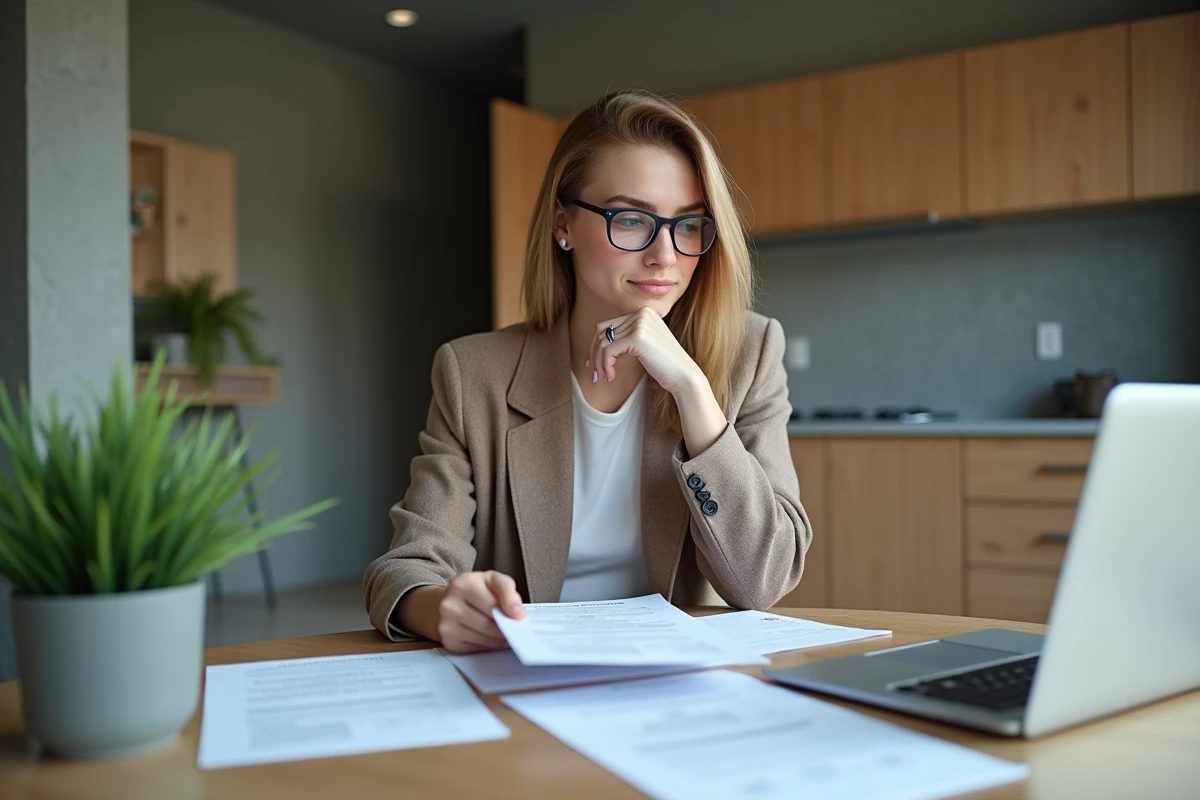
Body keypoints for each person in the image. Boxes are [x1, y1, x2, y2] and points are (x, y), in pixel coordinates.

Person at [364, 89, 813, 653]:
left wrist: (694, 394)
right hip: (531, 675)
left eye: (689, 225)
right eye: (631, 219)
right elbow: (406, 569)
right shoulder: (473, 372)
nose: (666, 257)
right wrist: (443, 608)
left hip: (674, 682)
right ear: (563, 223)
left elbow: (764, 580)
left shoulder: (748, 352)